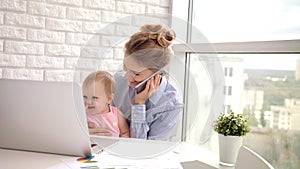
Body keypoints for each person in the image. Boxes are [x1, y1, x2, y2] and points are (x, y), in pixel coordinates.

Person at [89, 24, 183, 141]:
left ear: (157, 73)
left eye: (136, 73)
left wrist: (139, 105)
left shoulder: (171, 105)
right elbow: (103, 118)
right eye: (125, 66)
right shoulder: (118, 80)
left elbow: (143, 150)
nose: (127, 76)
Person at [82, 70, 130, 137]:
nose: (88, 102)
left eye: (94, 98)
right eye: (85, 97)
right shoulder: (83, 114)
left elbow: (125, 132)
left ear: (109, 99)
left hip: (113, 146)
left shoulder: (116, 114)